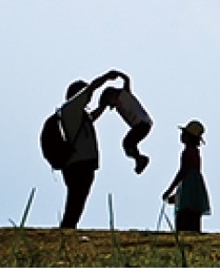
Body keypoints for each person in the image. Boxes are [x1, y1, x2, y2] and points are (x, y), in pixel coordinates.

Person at [58, 69, 120, 228]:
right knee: (76, 198)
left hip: (82, 163)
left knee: (78, 199)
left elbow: (92, 117)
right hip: (78, 163)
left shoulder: (77, 114)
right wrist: (106, 77)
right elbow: (91, 87)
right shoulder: (70, 109)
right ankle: (67, 227)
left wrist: (103, 106)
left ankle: (69, 226)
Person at [92, 71, 154, 174]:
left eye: (110, 102)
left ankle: (140, 159)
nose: (112, 105)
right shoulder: (118, 106)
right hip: (140, 126)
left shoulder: (124, 93)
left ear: (112, 95)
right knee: (129, 145)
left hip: (142, 123)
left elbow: (127, 79)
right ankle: (139, 159)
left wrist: (118, 74)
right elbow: (101, 109)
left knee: (127, 142)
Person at [162, 120, 211, 233]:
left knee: (184, 217)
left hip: (189, 187)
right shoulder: (196, 153)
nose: (181, 135)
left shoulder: (187, 153)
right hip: (196, 190)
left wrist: (170, 190)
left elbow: (183, 173)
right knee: (193, 218)